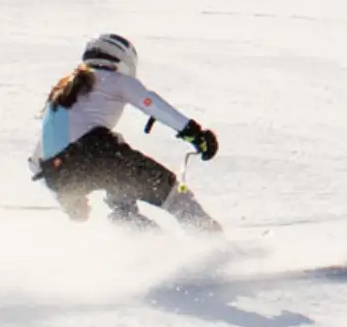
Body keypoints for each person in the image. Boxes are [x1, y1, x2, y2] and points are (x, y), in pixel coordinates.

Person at [30, 33, 221, 231]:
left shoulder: (62, 93)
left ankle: (140, 236)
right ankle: (208, 234)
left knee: (118, 177)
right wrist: (195, 134)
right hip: (96, 153)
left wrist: (66, 201)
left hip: (59, 173)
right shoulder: (114, 79)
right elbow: (151, 104)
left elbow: (35, 162)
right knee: (165, 187)